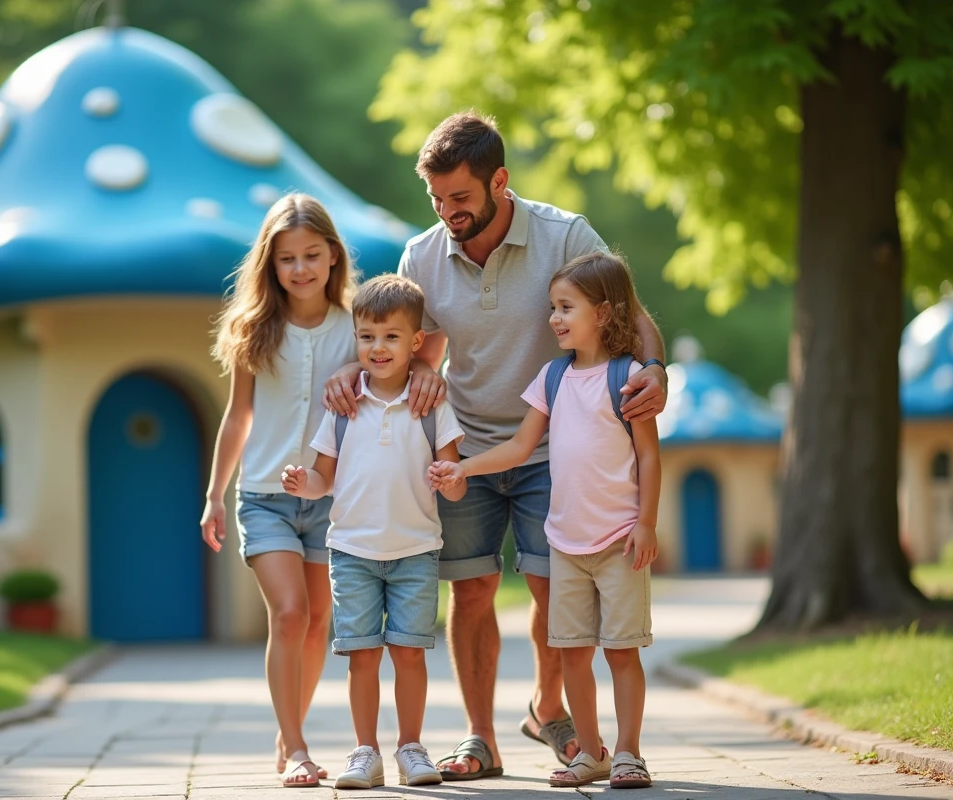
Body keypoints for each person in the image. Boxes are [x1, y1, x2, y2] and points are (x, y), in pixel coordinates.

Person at [324, 111, 668, 780]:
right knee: (472, 591)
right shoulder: (422, 254)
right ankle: (480, 737)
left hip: (552, 450)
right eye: (437, 199)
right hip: (465, 446)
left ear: (499, 181)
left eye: (461, 197)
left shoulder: (563, 235)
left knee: (549, 586)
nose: (448, 211)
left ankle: (547, 707)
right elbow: (411, 349)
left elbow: (632, 312)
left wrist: (653, 369)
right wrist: (358, 369)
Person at [430, 250, 660, 789]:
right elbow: (519, 447)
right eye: (553, 308)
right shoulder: (552, 377)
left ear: (602, 313)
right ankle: (591, 754)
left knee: (621, 653)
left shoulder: (626, 377)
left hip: (621, 542)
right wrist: (462, 468)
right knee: (573, 656)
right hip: (567, 544)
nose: (553, 319)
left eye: (564, 308)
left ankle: (628, 752)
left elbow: (648, 455)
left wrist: (646, 523)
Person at [281, 274, 467, 789]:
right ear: (356, 339)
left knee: (409, 654)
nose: (377, 347)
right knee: (362, 657)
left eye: (390, 336)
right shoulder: (342, 407)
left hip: (415, 551)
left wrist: (449, 480)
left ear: (416, 342)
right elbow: (324, 479)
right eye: (367, 336)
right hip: (352, 552)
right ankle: (366, 752)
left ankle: (411, 749)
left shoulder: (432, 406)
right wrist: (304, 483)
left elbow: (455, 483)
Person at [201, 193, 358, 788]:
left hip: (330, 498)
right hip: (264, 495)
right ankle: (296, 747)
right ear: (270, 264)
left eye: (312, 255)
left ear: (333, 256)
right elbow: (238, 416)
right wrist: (216, 494)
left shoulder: (354, 326)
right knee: (290, 614)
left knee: (320, 621)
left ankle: (288, 727)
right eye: (287, 259)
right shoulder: (253, 328)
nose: (300, 269)